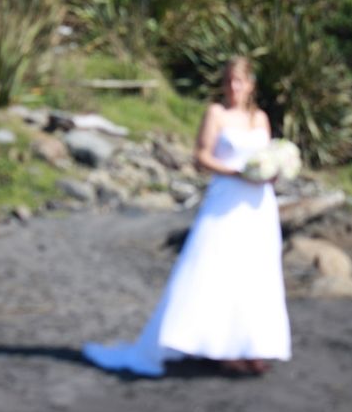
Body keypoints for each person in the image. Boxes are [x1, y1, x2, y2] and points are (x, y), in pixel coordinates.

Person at [83, 56, 291, 377]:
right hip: (227, 196)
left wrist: (272, 172)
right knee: (218, 268)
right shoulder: (216, 113)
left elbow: (267, 155)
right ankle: (222, 348)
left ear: (251, 85)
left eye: (240, 81)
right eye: (229, 81)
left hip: (258, 204)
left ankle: (252, 346)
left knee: (255, 271)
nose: (234, 87)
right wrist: (236, 172)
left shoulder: (260, 118)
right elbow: (202, 155)